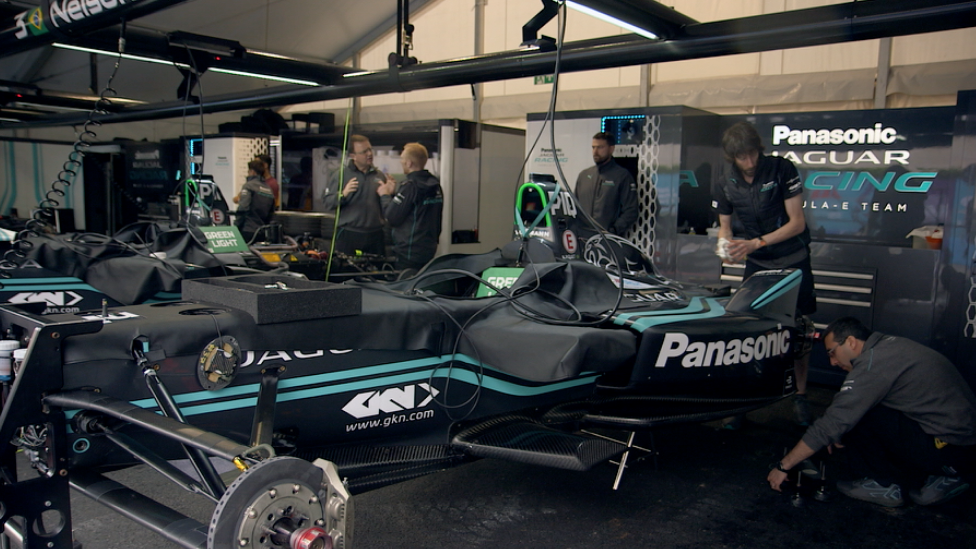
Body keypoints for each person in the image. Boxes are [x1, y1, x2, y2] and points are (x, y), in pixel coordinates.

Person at [767, 317, 976, 507]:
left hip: (952, 449)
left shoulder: (872, 365)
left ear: (850, 342)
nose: (832, 362)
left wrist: (784, 466)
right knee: (856, 409)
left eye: (832, 352)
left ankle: (883, 483)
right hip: (955, 440)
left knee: (855, 414)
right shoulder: (889, 347)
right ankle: (934, 472)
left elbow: (834, 421)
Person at [712, 121, 816, 426]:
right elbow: (725, 227)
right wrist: (725, 247)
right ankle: (744, 401)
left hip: (793, 259)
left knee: (800, 331)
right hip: (757, 264)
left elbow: (797, 223)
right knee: (749, 332)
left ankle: (801, 397)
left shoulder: (781, 169)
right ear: (733, 157)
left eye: (753, 153)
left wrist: (756, 242)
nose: (750, 161)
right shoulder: (726, 181)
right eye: (742, 156)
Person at [377, 142, 443, 271]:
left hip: (408, 252)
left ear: (409, 163)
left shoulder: (410, 186)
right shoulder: (435, 185)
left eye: (402, 159)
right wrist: (395, 195)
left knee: (403, 288)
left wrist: (384, 195)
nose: (401, 162)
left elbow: (392, 217)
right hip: (429, 249)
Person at [322, 135, 392, 256]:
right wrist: (343, 194)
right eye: (364, 152)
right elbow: (328, 202)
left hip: (375, 235)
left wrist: (390, 193)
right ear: (353, 156)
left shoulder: (379, 175)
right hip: (349, 234)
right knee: (348, 272)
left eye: (370, 149)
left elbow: (388, 208)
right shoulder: (341, 175)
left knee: (378, 272)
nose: (369, 154)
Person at [574, 132, 639, 236]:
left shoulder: (622, 176)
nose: (595, 152)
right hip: (582, 239)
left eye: (600, 147)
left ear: (611, 148)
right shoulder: (584, 176)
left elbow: (631, 211)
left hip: (608, 241)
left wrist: (613, 231)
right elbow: (574, 207)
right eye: (593, 147)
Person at [236, 159, 276, 243]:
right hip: (262, 231)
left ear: (252, 172)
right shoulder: (268, 189)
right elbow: (271, 212)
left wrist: (236, 226)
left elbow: (243, 208)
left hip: (247, 230)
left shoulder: (249, 186)